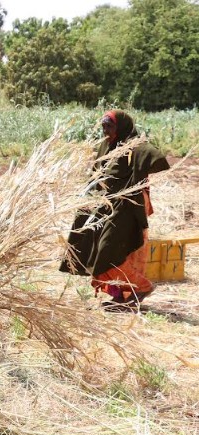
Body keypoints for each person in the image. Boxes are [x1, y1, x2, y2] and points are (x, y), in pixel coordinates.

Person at [60, 110, 170, 311]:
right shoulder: (106, 145)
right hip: (106, 204)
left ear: (121, 127)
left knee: (109, 251)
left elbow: (158, 159)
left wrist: (139, 170)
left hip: (127, 205)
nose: (105, 131)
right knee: (97, 246)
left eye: (109, 126)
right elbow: (97, 175)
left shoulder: (132, 145)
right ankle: (121, 295)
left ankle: (142, 287)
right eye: (103, 126)